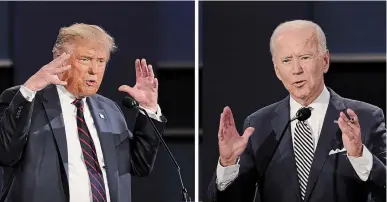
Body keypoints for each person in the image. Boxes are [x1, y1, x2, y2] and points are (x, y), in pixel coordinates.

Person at [208, 20, 386, 202]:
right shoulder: (259, 126)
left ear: (325, 61)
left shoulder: (366, 118)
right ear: (277, 70)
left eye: (305, 57)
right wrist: (228, 164)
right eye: (286, 60)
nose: (296, 70)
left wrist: (359, 156)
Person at [0, 23, 166, 202]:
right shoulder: (26, 101)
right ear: (59, 59)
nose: (94, 70)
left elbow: (139, 166)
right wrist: (29, 89)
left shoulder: (109, 110)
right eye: (85, 59)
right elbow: (5, 153)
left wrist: (149, 109)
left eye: (101, 61)